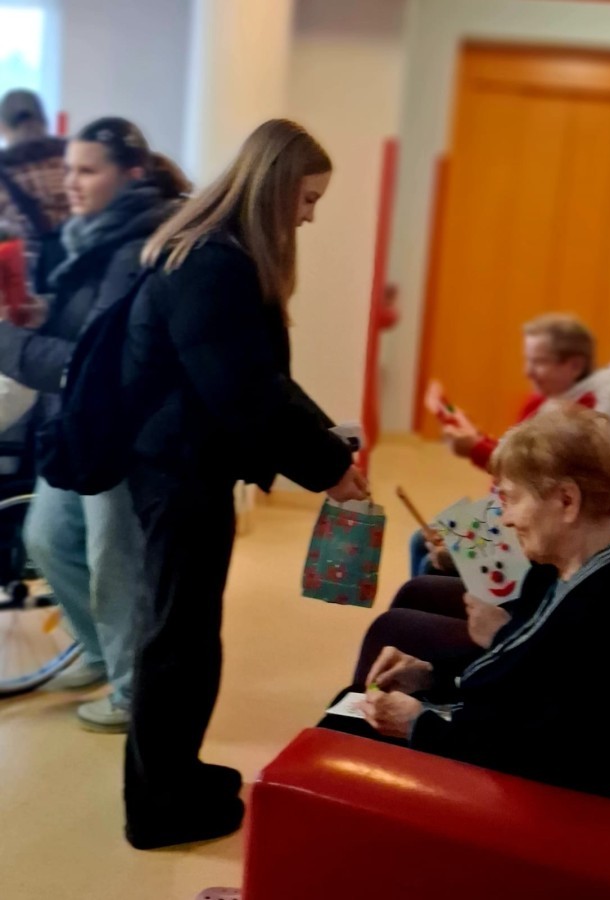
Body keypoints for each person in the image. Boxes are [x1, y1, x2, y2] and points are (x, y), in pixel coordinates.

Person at [121, 119, 369, 850]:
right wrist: (329, 471)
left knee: (187, 635)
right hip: (178, 475)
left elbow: (261, 380)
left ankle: (179, 774)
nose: (309, 216)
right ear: (275, 186)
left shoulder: (214, 252)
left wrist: (329, 439)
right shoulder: (213, 265)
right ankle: (158, 809)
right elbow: (244, 394)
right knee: (176, 643)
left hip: (182, 469)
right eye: (308, 198)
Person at [324, 405, 610, 814]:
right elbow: (527, 686)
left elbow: (538, 751)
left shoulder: (607, 608)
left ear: (567, 500)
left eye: (512, 499)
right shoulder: (589, 566)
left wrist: (417, 725)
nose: (507, 518)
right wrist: (432, 675)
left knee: (339, 730)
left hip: (528, 805)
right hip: (499, 753)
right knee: (350, 706)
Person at [353, 347, 610, 686]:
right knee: (421, 579)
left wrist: (502, 633)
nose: (598, 455)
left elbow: (566, 650)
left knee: (397, 621)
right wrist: (468, 552)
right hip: (526, 617)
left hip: (525, 636)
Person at [0, 117, 183, 731]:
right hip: (82, 430)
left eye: (86, 170)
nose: (70, 183)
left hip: (120, 434)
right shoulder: (92, 235)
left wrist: (6, 341)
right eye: (68, 169)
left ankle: (132, 690)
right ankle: (101, 651)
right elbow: (80, 326)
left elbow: (91, 361)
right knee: (47, 540)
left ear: (131, 174)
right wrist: (35, 315)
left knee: (114, 565)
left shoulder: (139, 248)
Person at [411, 314, 597, 577]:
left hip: (527, 530)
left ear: (575, 365)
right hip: (502, 512)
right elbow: (512, 456)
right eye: (528, 360)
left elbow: (531, 477)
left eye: (539, 362)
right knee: (421, 541)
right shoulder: (539, 402)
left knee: (434, 561)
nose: (528, 372)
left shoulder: (583, 418)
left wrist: (476, 447)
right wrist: (476, 438)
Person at [0, 90, 69, 283]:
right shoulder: (73, 162)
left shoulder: (5, 172)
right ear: (45, 121)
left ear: (2, 126)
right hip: (82, 277)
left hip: (27, 284)